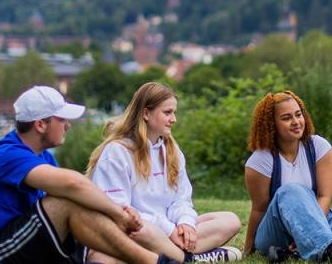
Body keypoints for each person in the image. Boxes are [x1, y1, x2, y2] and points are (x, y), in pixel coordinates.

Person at [0, 86, 170, 264]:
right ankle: (155, 261)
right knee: (64, 203)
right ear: (40, 124)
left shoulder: (43, 157)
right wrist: (119, 213)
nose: (68, 125)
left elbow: (80, 194)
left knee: (103, 249)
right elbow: (72, 184)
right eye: (62, 120)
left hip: (23, 242)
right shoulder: (8, 155)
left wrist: (117, 212)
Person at [86, 82, 242, 263]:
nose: (174, 119)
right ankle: (190, 259)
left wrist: (185, 223)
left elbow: (182, 199)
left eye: (173, 112)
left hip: (170, 233)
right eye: (167, 113)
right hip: (137, 233)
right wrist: (169, 230)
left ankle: (177, 255)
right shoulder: (117, 151)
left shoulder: (171, 150)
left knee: (231, 220)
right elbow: (119, 211)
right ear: (145, 113)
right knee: (141, 229)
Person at [243, 91, 332, 263]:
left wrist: (309, 233)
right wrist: (248, 250)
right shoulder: (260, 159)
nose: (296, 122)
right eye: (286, 118)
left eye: (298, 114)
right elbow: (259, 209)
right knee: (291, 190)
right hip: (277, 233)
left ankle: (294, 253)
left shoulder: (318, 147)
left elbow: (324, 196)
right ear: (271, 125)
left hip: (317, 220)